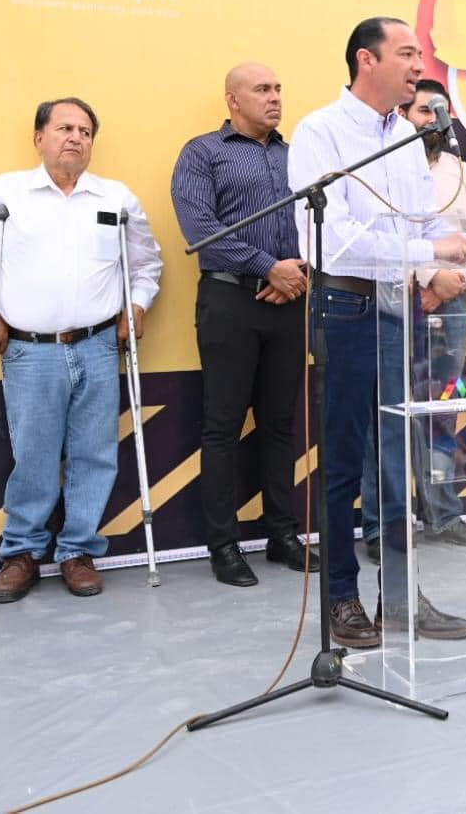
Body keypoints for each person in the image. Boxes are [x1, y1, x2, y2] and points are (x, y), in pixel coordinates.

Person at [287, 16, 466, 648]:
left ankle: (401, 597)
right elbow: (330, 240)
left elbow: (422, 224)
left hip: (400, 306)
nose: (419, 65)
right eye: (407, 53)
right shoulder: (321, 133)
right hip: (345, 305)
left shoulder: (409, 139)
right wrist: (426, 247)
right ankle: (341, 597)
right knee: (344, 460)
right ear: (367, 59)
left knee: (393, 460)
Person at [0, 97, 163, 603]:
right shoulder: (1, 195)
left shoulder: (116, 198)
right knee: (34, 455)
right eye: (64, 128)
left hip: (99, 345)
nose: (75, 138)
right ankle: (21, 553)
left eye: (85, 131)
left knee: (95, 454)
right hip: (30, 350)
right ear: (39, 137)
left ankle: (78, 551)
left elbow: (146, 264)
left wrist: (138, 303)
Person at [170, 62, 313, 588]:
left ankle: (282, 534)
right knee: (223, 425)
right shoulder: (203, 153)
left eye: (278, 88)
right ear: (232, 99)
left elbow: (321, 221)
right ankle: (224, 545)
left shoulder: (298, 156)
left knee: (280, 423)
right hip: (230, 300)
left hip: (290, 298)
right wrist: (267, 266)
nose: (275, 97)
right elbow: (200, 229)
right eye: (262, 89)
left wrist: (297, 272)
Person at [357, 78, 466, 554]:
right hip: (394, 302)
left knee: (440, 415)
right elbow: (380, 232)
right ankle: (383, 527)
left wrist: (454, 281)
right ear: (402, 115)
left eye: (441, 112)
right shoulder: (383, 168)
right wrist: (427, 277)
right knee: (388, 418)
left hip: (451, 304)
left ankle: (443, 516)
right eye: (424, 111)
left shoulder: (462, 172)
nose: (434, 121)